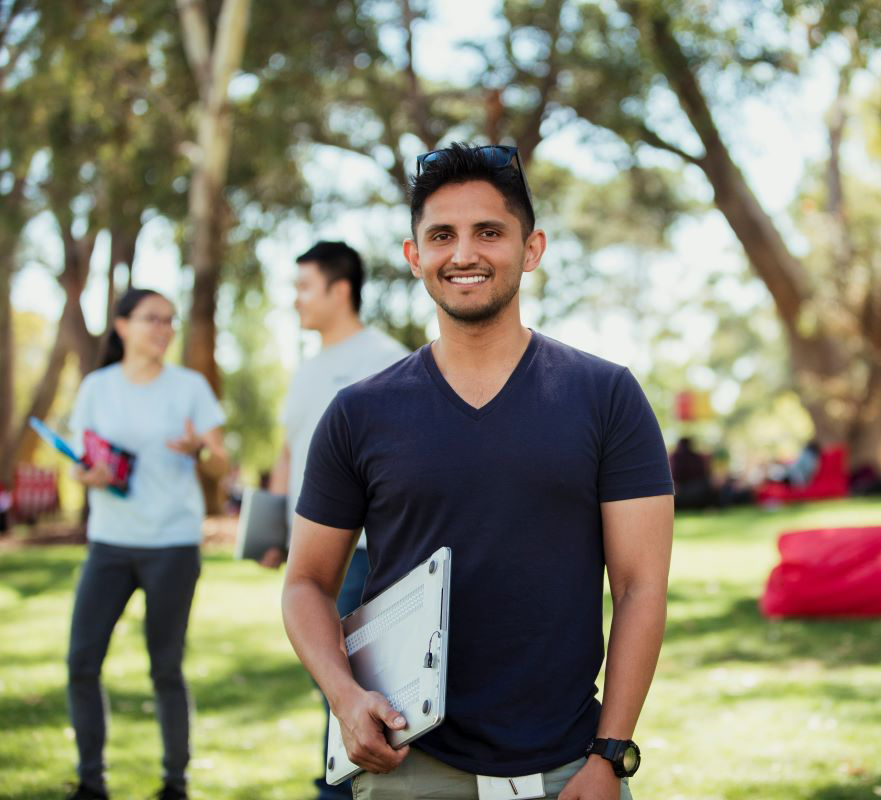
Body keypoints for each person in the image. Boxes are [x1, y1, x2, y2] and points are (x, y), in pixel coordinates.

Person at [281, 143, 675, 800]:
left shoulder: (607, 397)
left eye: (488, 232)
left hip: (571, 771)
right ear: (414, 257)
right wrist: (346, 699)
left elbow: (640, 587)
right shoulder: (358, 413)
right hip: (410, 770)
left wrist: (610, 754)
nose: (464, 253)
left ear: (532, 248)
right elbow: (306, 584)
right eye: (442, 235)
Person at [64, 288, 228, 800]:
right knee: (81, 662)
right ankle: (92, 781)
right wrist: (87, 476)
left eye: (169, 320)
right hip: (109, 545)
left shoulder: (190, 387)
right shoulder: (97, 387)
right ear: (122, 326)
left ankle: (174, 784)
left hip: (173, 545)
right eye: (151, 318)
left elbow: (222, 463)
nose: (163, 328)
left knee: (165, 667)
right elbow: (77, 461)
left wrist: (200, 448)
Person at [260, 240, 407, 800]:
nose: (295, 300)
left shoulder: (385, 358)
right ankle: (337, 781)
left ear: (339, 289)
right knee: (329, 680)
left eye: (304, 286)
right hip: (313, 554)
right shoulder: (307, 368)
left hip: (366, 554)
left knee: (353, 684)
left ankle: (338, 787)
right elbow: (288, 452)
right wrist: (276, 529)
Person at [669, 436, 716, 510]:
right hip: (698, 494)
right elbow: (705, 475)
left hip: (682, 495)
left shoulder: (675, 457)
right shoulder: (697, 458)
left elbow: (675, 476)